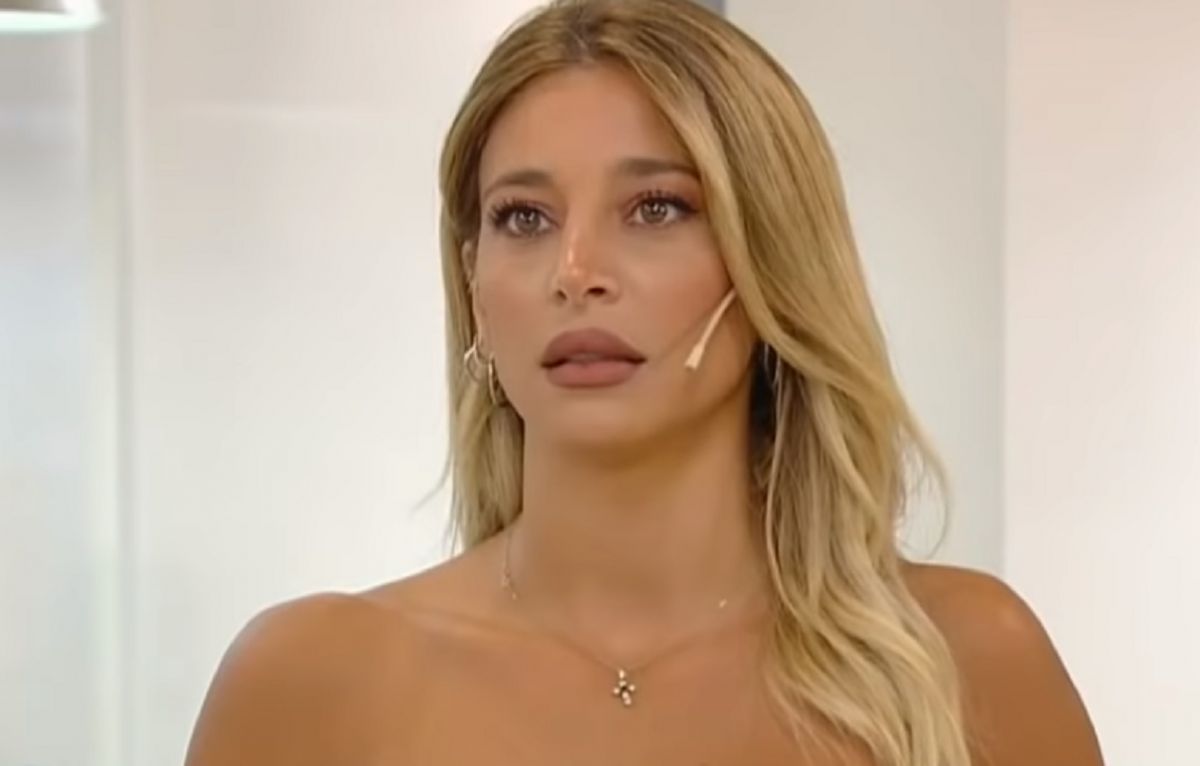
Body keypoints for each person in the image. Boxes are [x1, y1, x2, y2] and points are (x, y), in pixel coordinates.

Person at [184, 1, 1104, 763]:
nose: (575, 271)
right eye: (524, 217)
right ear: (473, 285)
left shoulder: (968, 664)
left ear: (772, 259)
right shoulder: (309, 684)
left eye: (656, 208)